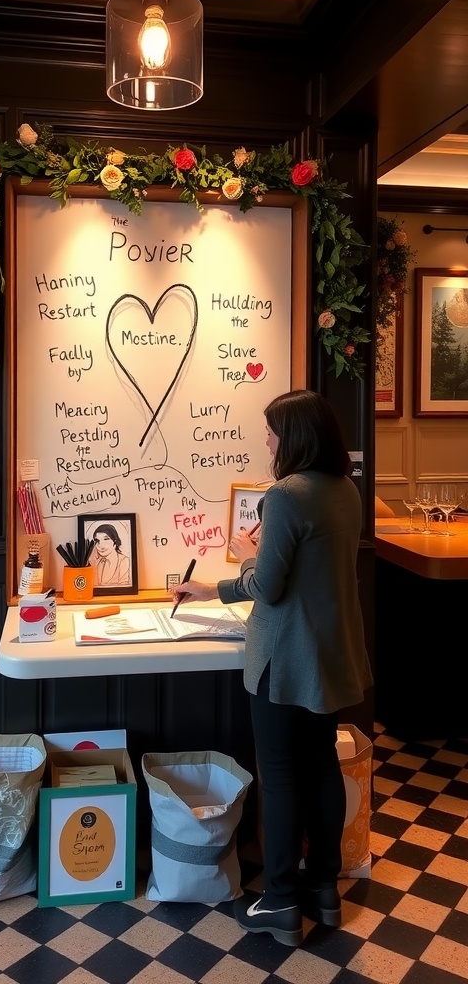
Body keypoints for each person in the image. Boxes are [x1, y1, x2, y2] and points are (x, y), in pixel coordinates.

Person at [170, 389, 373, 947]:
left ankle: (280, 900)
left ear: (295, 436)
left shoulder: (285, 496)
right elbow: (309, 574)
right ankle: (323, 890)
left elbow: (268, 585)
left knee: (281, 777)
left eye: (272, 432)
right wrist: (218, 584)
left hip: (285, 660)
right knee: (322, 769)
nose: (266, 441)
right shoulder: (345, 490)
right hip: (331, 657)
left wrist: (243, 554)